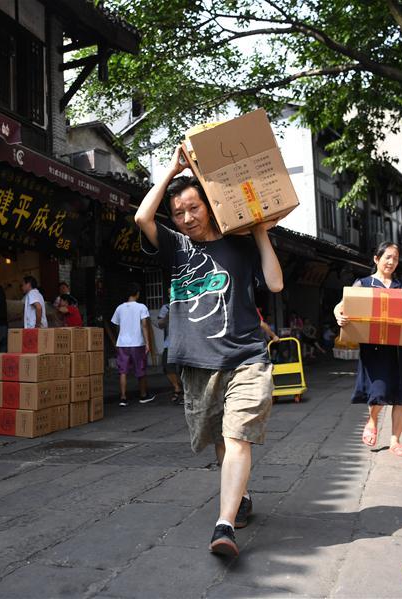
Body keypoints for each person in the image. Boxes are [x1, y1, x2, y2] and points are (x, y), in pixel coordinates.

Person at [135, 146, 283, 558]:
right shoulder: (174, 245)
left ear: (209, 204)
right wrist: (172, 169)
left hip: (246, 356)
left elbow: (274, 284)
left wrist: (258, 231)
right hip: (199, 364)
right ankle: (242, 497)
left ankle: (225, 525)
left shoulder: (240, 243)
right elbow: (141, 217)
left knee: (237, 436)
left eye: (193, 208)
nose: (186, 218)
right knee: (220, 438)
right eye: (179, 212)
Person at [334, 242, 402, 458]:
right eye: (387, 257)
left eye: (395, 259)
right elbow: (340, 306)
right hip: (375, 349)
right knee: (379, 391)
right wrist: (338, 316)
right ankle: (372, 420)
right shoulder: (363, 284)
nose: (391, 262)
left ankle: (395, 441)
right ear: (376, 259)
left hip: (401, 349)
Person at [111, 283, 155, 406]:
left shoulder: (119, 308)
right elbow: (145, 325)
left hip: (122, 344)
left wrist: (119, 339)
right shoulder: (141, 307)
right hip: (137, 343)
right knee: (140, 369)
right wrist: (147, 342)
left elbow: (116, 325)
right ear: (137, 294)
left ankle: (123, 398)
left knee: (123, 371)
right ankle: (143, 395)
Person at [157, 301, 184, 404]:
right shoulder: (166, 307)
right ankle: (177, 388)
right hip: (170, 343)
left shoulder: (187, 304)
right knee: (167, 367)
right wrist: (168, 316)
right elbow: (160, 325)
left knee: (185, 369)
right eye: (168, 294)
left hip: (186, 342)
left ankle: (186, 393)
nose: (170, 296)